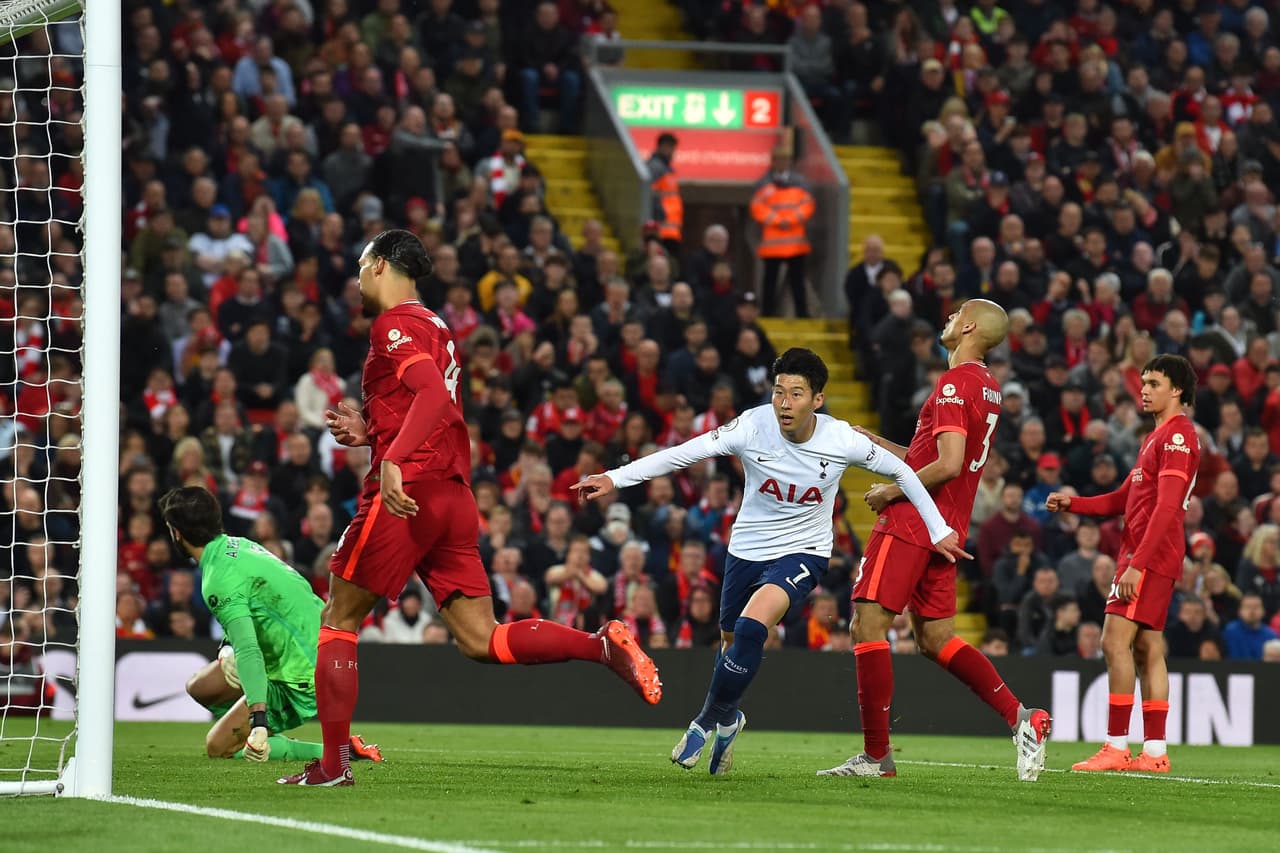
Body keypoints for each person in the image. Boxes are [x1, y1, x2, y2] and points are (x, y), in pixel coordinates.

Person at [280, 230, 661, 787]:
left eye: (363, 268)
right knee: (482, 639)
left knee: (337, 618)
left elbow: (432, 397)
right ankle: (600, 645)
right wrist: (374, 434)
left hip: (408, 492)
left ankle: (331, 766)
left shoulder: (393, 325)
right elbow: (428, 405)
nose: (357, 280)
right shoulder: (437, 326)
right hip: (453, 495)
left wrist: (391, 460)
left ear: (381, 266)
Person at [574, 348, 967, 775]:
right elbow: (682, 453)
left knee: (750, 626)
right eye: (779, 392)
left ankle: (704, 722)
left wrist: (937, 528)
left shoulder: (842, 439)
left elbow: (904, 471)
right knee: (730, 646)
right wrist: (614, 478)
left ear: (817, 399)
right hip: (746, 549)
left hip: (805, 552)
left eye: (796, 394)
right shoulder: (751, 425)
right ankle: (729, 720)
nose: (784, 403)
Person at [819, 299, 1054, 782]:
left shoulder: (952, 383)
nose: (946, 319)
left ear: (968, 327)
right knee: (934, 637)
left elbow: (946, 464)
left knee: (867, 624)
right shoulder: (987, 388)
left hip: (912, 522)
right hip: (947, 527)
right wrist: (876, 445)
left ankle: (876, 757)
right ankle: (1020, 716)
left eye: (954, 315)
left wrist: (892, 488)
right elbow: (937, 455)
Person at [1045, 354, 1201, 775]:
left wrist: (1137, 564)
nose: (1144, 389)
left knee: (1113, 642)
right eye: (1144, 382)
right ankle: (1154, 752)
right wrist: (1073, 502)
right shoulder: (1157, 437)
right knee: (1148, 647)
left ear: (1177, 390)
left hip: (1146, 556)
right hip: (1149, 555)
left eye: (1153, 383)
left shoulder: (1177, 436)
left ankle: (1116, 746)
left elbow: (1168, 507)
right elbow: (1123, 499)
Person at [161, 486, 383, 766]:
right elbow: (262, 610)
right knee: (200, 687)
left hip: (302, 673)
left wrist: (258, 720)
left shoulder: (217, 579)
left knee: (217, 747)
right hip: (317, 642)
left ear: (177, 533)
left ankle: (338, 751)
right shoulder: (239, 546)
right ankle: (252, 729)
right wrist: (227, 647)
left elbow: (249, 649)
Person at [749, 149, 816, 317]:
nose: (782, 163)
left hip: (796, 243)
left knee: (797, 282)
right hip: (772, 244)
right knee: (769, 282)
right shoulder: (763, 184)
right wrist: (778, 220)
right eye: (779, 159)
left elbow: (808, 206)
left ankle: (802, 315)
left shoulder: (800, 183)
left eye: (785, 159)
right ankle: (767, 314)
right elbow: (757, 208)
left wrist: (791, 219)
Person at [647, 133, 683, 257]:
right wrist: (658, 220)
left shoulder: (667, 170)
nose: (673, 152)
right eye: (671, 148)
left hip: (671, 231)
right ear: (662, 147)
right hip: (661, 230)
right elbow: (650, 196)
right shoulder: (655, 168)